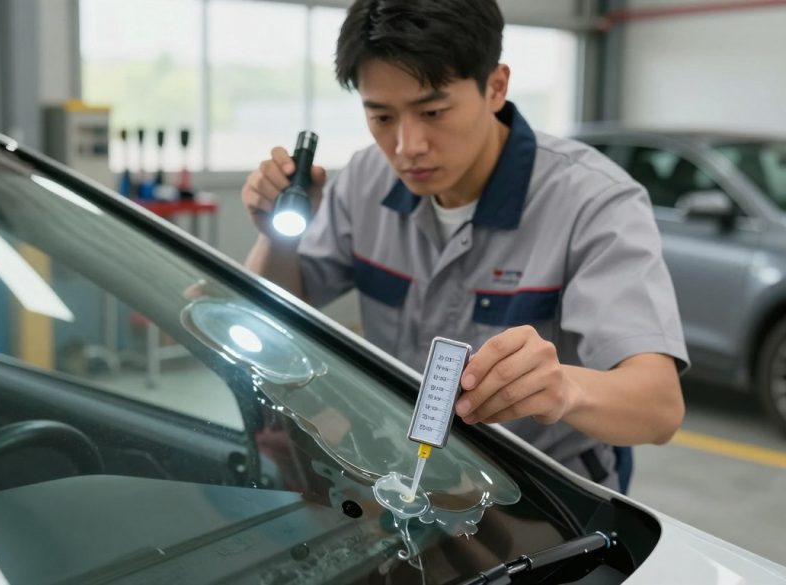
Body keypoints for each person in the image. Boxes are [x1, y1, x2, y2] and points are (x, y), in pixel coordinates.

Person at [239, 0, 688, 491]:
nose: (408, 146)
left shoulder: (594, 202)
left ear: (495, 86)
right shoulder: (365, 178)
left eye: (432, 111)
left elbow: (659, 407)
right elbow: (276, 310)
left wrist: (563, 388)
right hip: (400, 481)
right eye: (382, 116)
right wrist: (274, 233)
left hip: (540, 500)